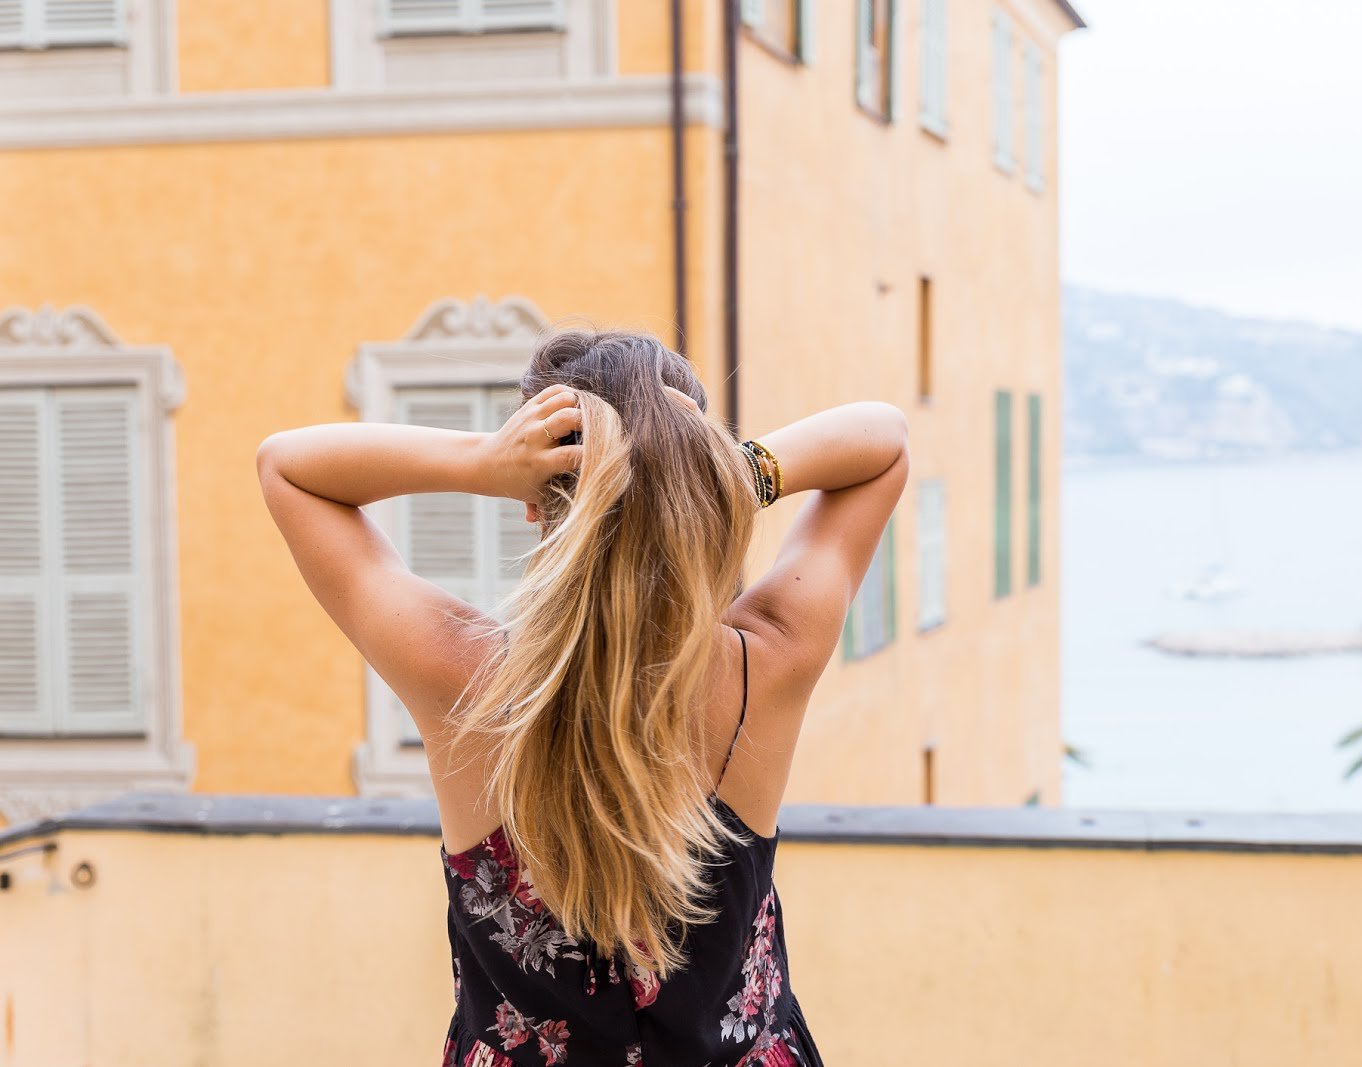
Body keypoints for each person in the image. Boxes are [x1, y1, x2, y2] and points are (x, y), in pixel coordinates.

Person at [256, 327, 909, 1066]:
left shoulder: (463, 678)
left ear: (531, 504)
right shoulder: (769, 658)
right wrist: (729, 470)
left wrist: (483, 462)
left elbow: (287, 467)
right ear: (700, 481)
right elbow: (883, 440)